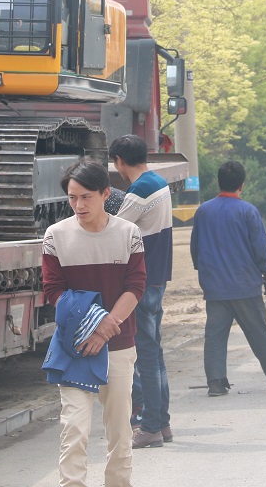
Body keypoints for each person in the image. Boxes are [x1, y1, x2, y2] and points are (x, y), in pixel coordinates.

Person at [42, 160, 147, 487]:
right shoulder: (55, 236)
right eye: (72, 198)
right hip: (74, 347)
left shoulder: (129, 234)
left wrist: (107, 325)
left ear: (105, 194)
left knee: (119, 431)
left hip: (118, 345)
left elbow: (136, 286)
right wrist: (94, 325)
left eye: (86, 197)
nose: (78, 205)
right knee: (73, 429)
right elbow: (53, 290)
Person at [190, 161, 266, 397]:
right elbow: (260, 248)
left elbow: (195, 248)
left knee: (214, 336)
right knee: (259, 333)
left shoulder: (203, 210)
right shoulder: (248, 211)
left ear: (219, 182)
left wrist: (204, 272)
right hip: (244, 285)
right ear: (242, 185)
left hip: (215, 287)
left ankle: (216, 382)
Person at [108, 134, 174, 449]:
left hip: (144, 282)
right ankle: (162, 423)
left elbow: (114, 233)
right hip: (158, 277)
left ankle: (149, 427)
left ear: (119, 161)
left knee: (146, 356)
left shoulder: (139, 191)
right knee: (154, 354)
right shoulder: (157, 181)